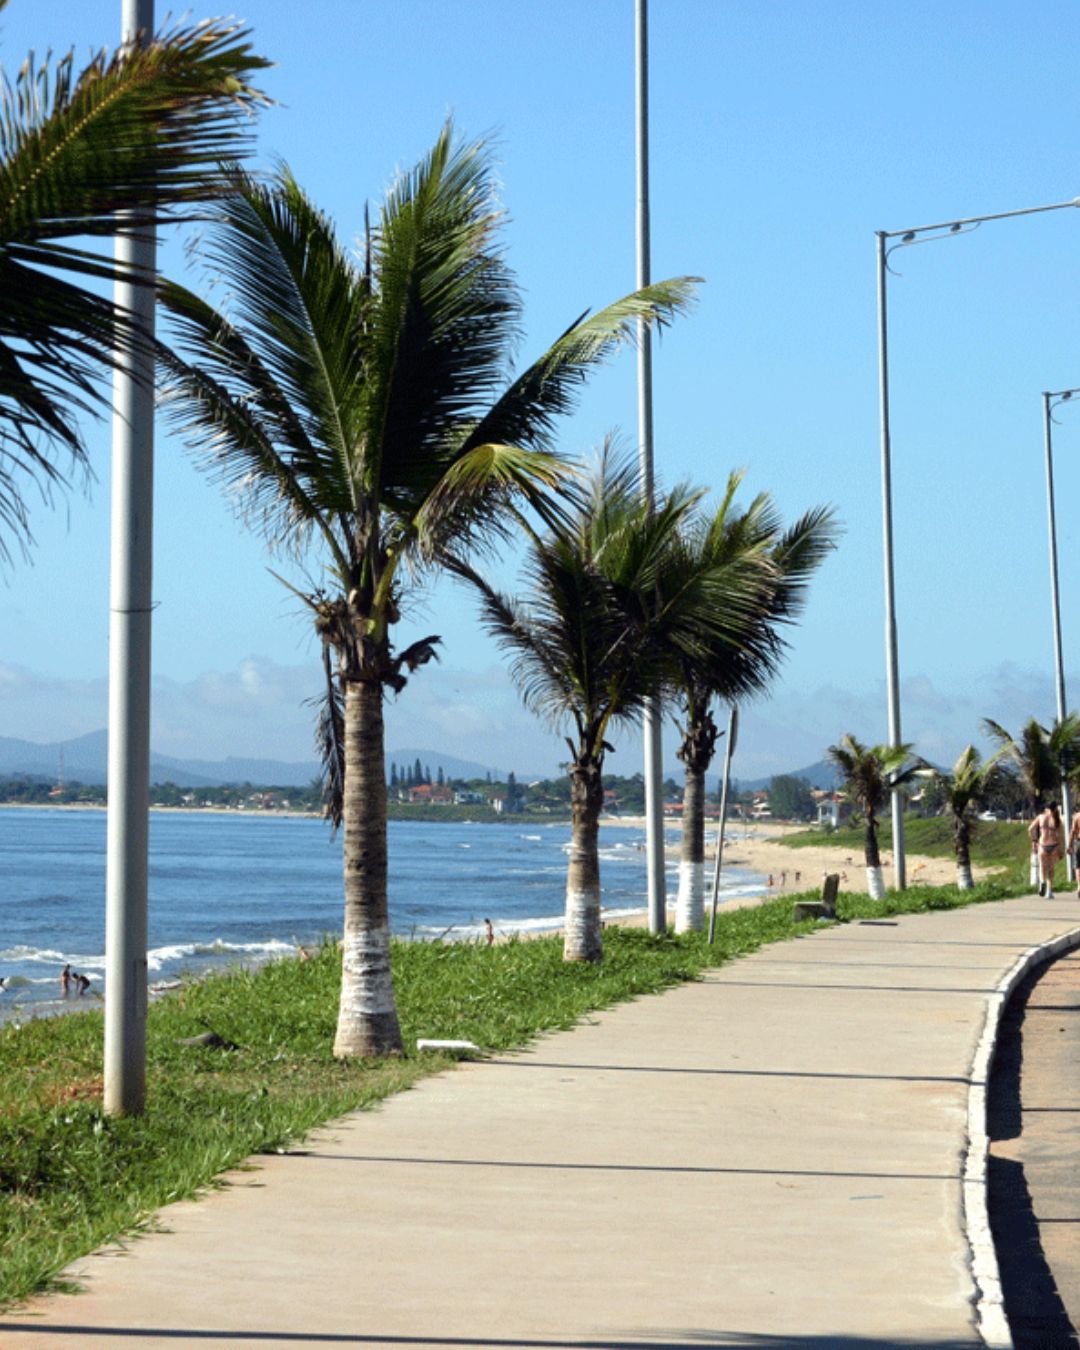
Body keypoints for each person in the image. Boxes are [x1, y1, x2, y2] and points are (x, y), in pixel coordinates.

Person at [1029, 802, 1064, 898]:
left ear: (1047, 808)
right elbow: (1060, 837)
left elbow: (1030, 829)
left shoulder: (1041, 817)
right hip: (1054, 845)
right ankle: (1049, 891)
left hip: (1042, 845)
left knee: (1042, 866)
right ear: (1056, 809)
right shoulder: (1057, 820)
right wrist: (1061, 850)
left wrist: (1034, 841)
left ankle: (1042, 882)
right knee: (1051, 868)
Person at [1068, 804, 1080, 897]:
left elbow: (1072, 831)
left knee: (1078, 866)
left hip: (1078, 842)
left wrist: (1069, 845)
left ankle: (1079, 886)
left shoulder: (1077, 816)